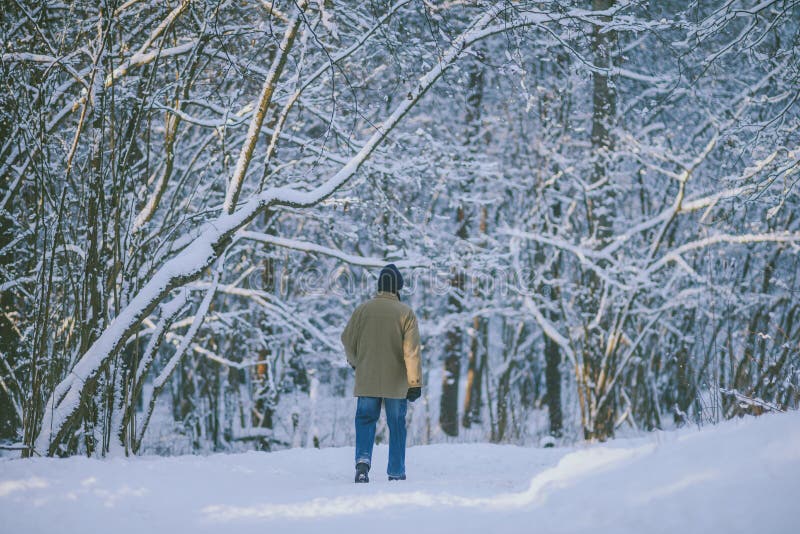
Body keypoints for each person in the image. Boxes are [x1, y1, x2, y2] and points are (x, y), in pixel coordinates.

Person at [341, 264, 422, 483]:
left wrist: (357, 362)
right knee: (396, 424)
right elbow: (411, 351)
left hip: (367, 379)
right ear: (397, 288)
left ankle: (362, 464)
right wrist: (414, 383)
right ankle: (395, 471)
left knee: (366, 419)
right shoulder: (406, 313)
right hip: (396, 383)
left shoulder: (363, 310)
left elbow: (347, 339)